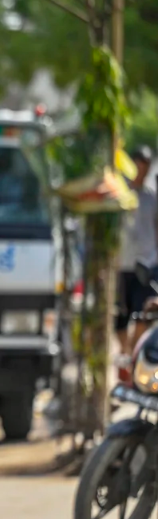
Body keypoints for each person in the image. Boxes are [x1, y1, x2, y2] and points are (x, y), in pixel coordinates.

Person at [116, 146, 158, 370]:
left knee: (145, 314)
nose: (142, 172)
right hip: (122, 265)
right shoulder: (118, 194)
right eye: (140, 166)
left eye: (147, 167)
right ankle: (125, 353)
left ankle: (131, 357)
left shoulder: (153, 197)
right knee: (120, 320)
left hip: (148, 263)